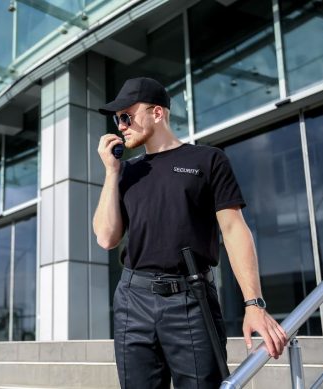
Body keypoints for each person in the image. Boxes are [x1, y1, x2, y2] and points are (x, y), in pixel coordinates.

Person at [92, 77, 288, 388]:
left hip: (191, 300)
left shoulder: (207, 160)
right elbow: (105, 237)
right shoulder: (126, 172)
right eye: (117, 119)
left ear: (157, 113)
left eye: (127, 116)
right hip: (133, 300)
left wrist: (254, 304)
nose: (121, 126)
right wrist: (111, 173)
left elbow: (234, 229)